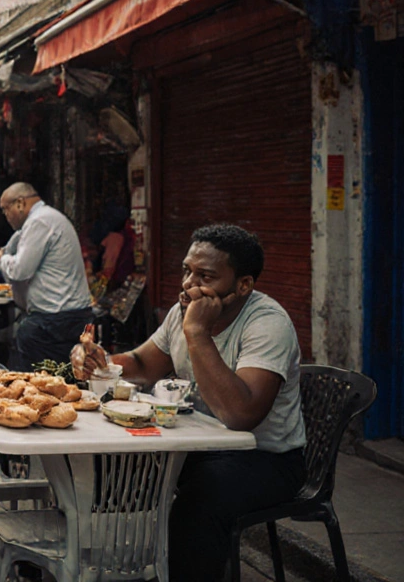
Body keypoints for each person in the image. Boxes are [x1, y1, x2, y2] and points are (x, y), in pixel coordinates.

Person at [71, 224, 305, 582]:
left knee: (201, 501)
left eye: (205, 275)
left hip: (267, 459)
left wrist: (197, 333)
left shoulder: (267, 324)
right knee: (105, 467)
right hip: (199, 446)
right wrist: (101, 362)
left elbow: (241, 414)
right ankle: (101, 566)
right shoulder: (184, 311)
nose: (188, 284)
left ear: (242, 285)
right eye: (187, 271)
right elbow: (145, 363)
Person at [0, 182, 92, 370]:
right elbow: (13, 251)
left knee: (35, 376)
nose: (5, 216)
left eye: (5, 209)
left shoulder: (39, 221)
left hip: (55, 320)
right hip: (64, 317)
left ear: (20, 203)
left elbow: (20, 269)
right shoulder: (43, 219)